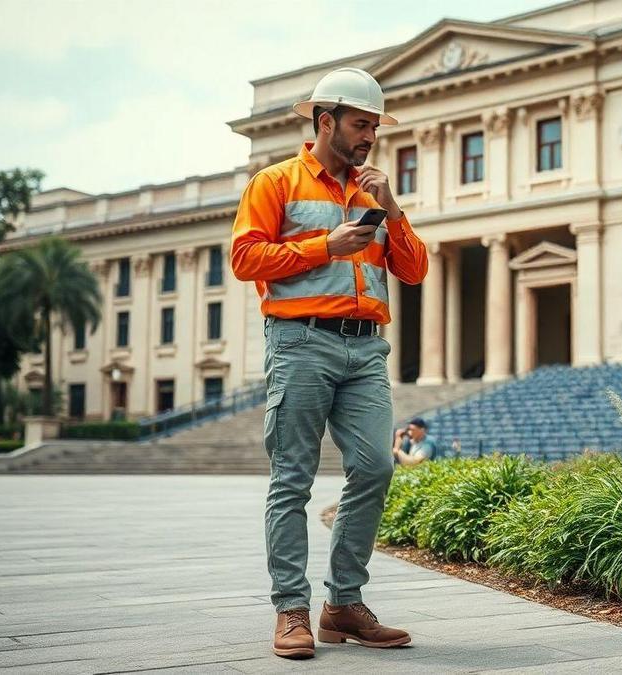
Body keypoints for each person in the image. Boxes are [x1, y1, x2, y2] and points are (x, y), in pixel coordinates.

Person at [229, 67, 428, 660]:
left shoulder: (373, 192)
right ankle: (291, 609)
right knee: (292, 478)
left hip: (366, 349)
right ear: (326, 122)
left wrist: (391, 208)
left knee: (375, 468)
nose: (369, 136)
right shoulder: (276, 182)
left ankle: (342, 604)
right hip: (301, 341)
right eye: (361, 124)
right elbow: (244, 258)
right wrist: (324, 246)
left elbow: (413, 271)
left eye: (374, 127)